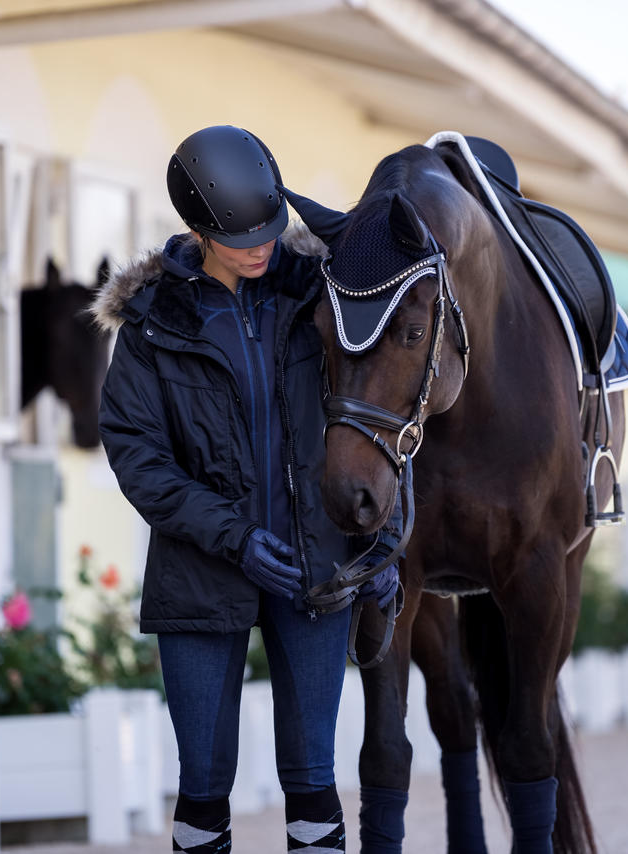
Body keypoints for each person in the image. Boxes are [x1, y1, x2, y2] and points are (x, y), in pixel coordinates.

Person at [94, 125, 399, 854]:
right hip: (202, 572)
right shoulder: (151, 325)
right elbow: (138, 455)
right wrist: (232, 536)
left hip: (315, 569)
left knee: (313, 775)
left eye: (269, 227)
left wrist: (383, 542)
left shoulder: (319, 297)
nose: (263, 246)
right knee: (202, 783)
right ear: (198, 228)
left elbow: (380, 415)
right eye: (241, 236)